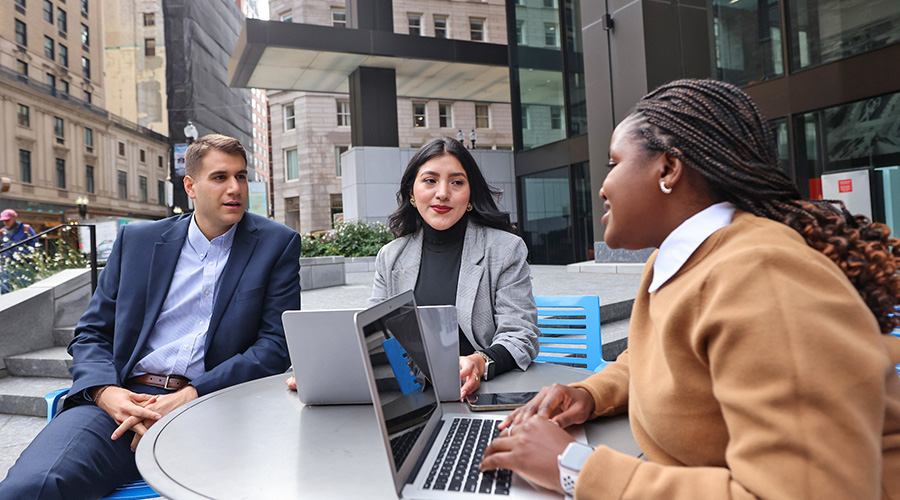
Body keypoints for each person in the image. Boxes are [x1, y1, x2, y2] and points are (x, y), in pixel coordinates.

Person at [480, 79, 900, 499]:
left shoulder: (761, 275)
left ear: (667, 168)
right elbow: (655, 358)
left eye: (614, 162)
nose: (603, 186)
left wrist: (575, 468)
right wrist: (588, 394)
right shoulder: (673, 260)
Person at [0, 134, 301, 500]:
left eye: (241, 176)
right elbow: (92, 333)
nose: (235, 188)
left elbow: (275, 346)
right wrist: (104, 391)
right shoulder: (137, 241)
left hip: (218, 400)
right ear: (190, 185)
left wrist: (192, 394)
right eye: (220, 177)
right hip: (123, 397)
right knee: (32, 488)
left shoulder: (276, 243)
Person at [286, 138, 539, 398]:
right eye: (430, 181)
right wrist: (321, 369)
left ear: (471, 193)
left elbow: (522, 335)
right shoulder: (392, 256)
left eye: (457, 182)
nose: (443, 193)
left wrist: (480, 361)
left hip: (483, 394)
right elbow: (372, 335)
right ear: (411, 193)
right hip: (412, 397)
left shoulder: (505, 249)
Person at [0, 209, 39, 293]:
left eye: (7, 220)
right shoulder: (3, 232)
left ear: (15, 218)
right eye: (3, 221)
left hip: (23, 264)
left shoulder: (26, 229)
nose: (5, 223)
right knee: (4, 289)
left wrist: (24, 254)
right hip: (7, 264)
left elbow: (35, 245)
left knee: (24, 289)